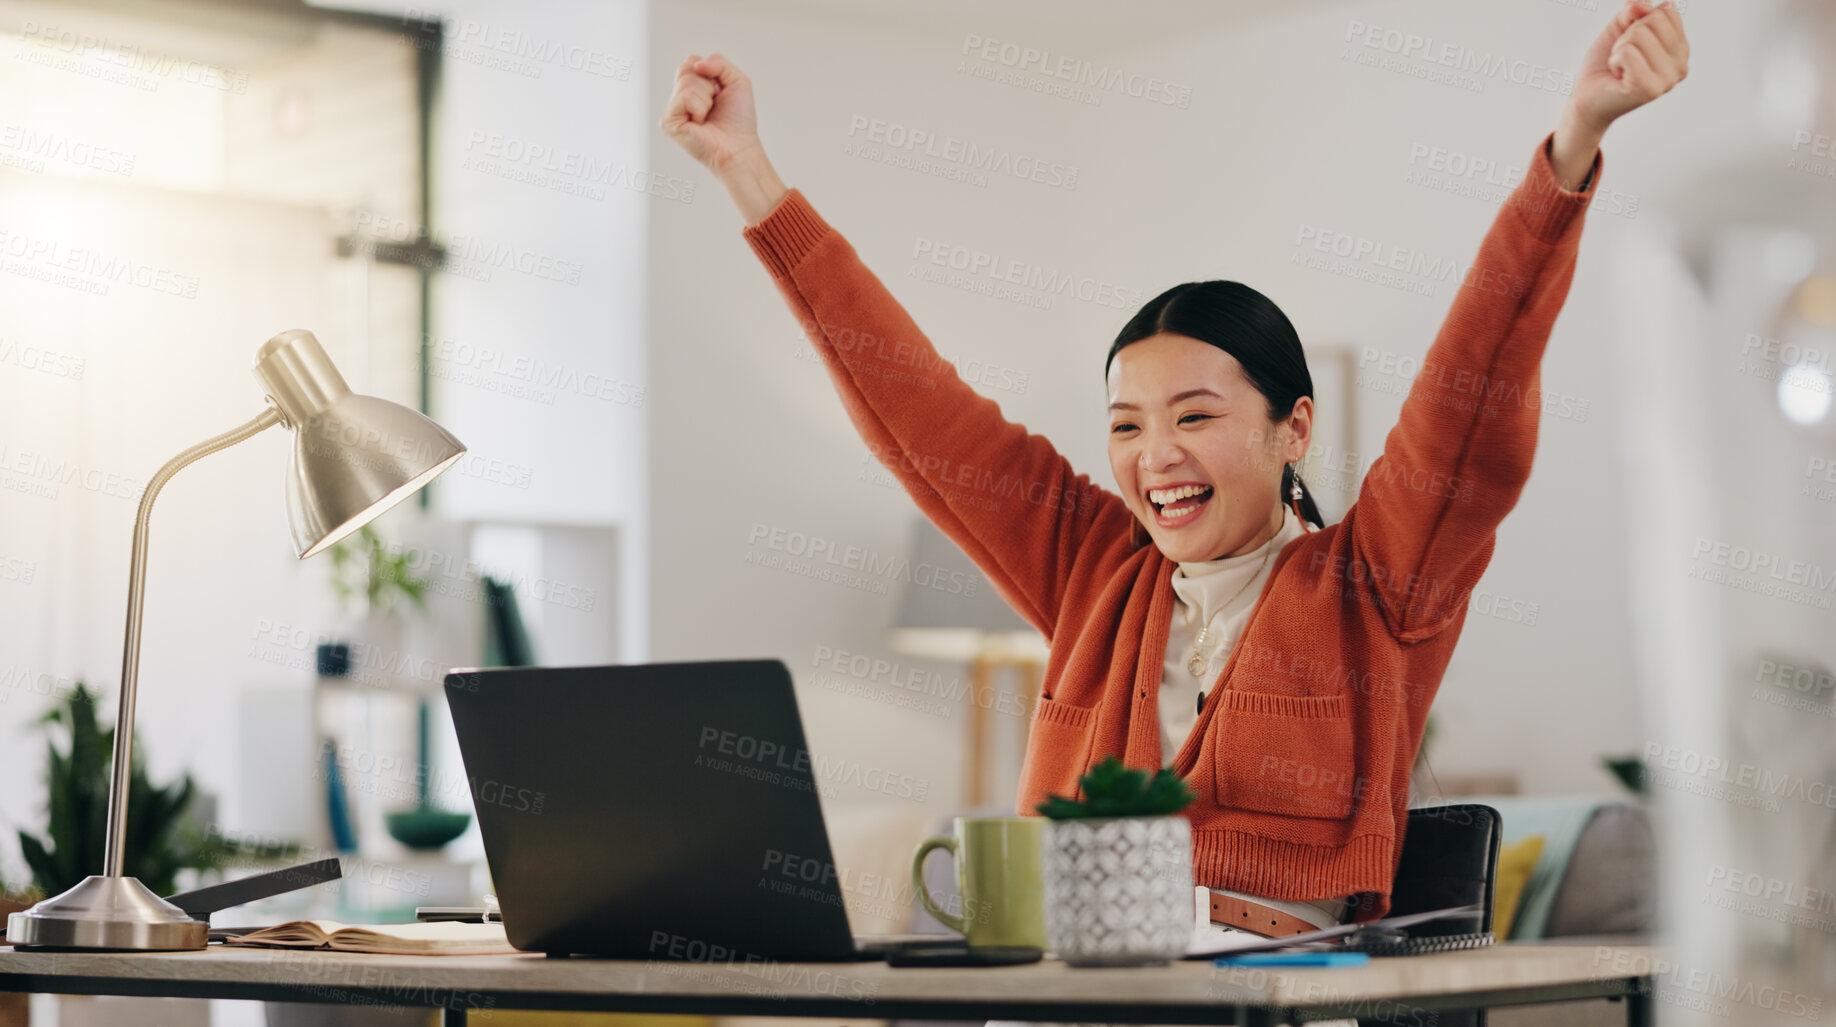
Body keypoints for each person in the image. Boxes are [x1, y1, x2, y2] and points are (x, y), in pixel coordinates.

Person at [663, 0, 1688, 951]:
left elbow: (1472, 398)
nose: (1154, 455)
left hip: (1268, 991)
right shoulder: (1094, 572)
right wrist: (748, 174)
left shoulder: (1376, 585)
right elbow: (914, 411)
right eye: (1126, 424)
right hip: (1074, 981)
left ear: (1294, 429)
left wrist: (1571, 149)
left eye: (1195, 416)